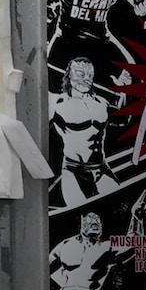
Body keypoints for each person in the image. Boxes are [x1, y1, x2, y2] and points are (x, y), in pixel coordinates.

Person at [49, 58, 113, 206]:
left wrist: (124, 88)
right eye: (80, 74)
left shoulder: (102, 103)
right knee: (80, 212)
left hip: (100, 168)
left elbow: (125, 120)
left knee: (116, 207)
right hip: (73, 170)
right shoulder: (58, 103)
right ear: (69, 75)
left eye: (90, 75)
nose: (86, 79)